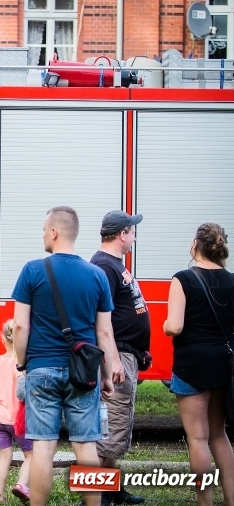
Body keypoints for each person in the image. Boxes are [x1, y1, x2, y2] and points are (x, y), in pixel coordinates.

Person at [11, 206, 122, 506]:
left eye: (44, 230)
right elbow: (105, 334)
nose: (43, 235)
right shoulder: (97, 275)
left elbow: (20, 325)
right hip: (83, 373)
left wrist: (22, 363)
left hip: (41, 369)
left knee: (44, 447)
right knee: (86, 447)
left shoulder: (33, 270)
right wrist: (106, 376)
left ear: (54, 232)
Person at [163, 223, 234, 506]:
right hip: (224, 365)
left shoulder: (183, 279)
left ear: (195, 245)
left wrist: (167, 324)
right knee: (220, 435)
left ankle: (205, 503)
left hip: (192, 366)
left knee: (198, 438)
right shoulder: (231, 280)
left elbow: (175, 327)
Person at [90, 210, 149, 506]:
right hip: (118, 356)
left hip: (127, 353)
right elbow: (103, 320)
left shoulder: (112, 264)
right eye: (132, 230)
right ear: (121, 234)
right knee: (108, 427)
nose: (135, 235)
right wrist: (111, 360)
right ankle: (97, 496)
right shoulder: (103, 266)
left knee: (114, 427)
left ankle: (110, 490)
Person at [0, 320, 32, 504]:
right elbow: (24, 393)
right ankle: (21, 485)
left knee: (5, 457)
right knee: (31, 455)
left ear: (3, 339)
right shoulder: (21, 365)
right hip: (18, 419)